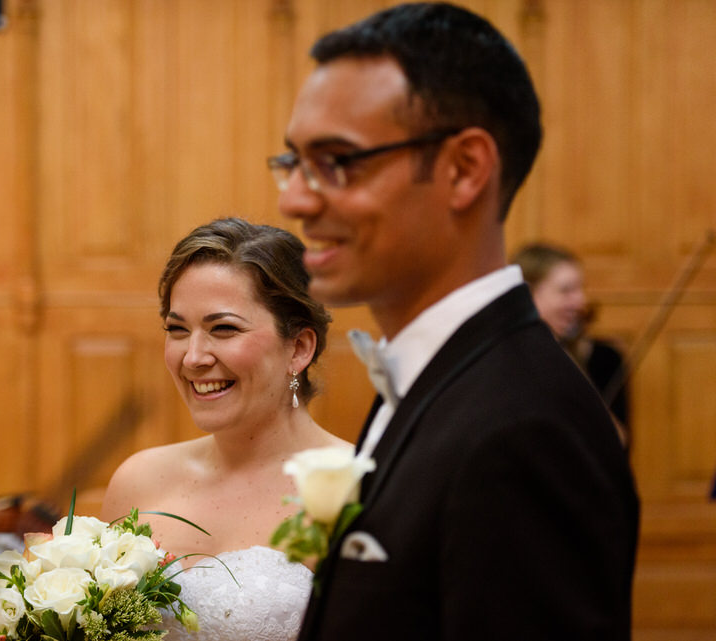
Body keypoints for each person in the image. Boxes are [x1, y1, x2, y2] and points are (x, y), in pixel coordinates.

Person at [271, 3, 639, 639]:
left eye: (337, 161)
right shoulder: (440, 377)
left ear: (465, 169)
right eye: (292, 162)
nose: (294, 198)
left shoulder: (526, 429)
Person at [100, 217, 348, 641]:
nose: (193, 357)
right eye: (178, 330)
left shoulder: (360, 488)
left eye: (224, 329)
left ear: (299, 348)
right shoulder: (138, 480)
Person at [512, 242, 630, 439]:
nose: (581, 301)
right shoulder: (507, 359)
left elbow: (619, 441)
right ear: (528, 294)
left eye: (580, 289)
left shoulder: (604, 358)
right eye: (566, 291)